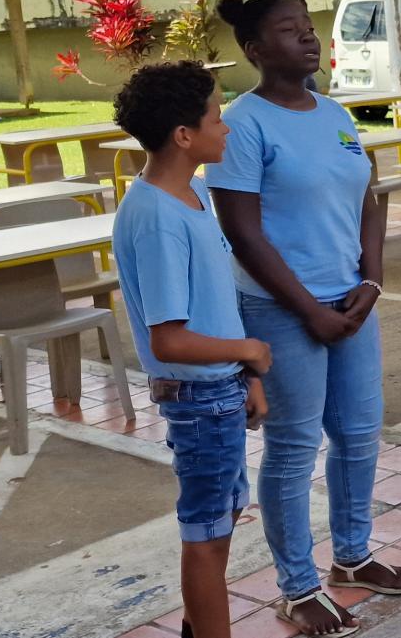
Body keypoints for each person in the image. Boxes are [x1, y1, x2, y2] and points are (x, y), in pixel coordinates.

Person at [203, 0, 401, 635]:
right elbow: (243, 233)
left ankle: (352, 556)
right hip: (280, 309)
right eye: (289, 31)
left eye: (309, 28)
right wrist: (309, 312)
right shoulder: (244, 125)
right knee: (294, 448)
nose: (309, 38)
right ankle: (297, 587)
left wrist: (371, 281)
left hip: (351, 302)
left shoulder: (335, 113)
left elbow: (368, 199)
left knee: (359, 434)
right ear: (255, 50)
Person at [111, 62, 270, 638]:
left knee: (221, 519)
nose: (225, 128)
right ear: (184, 135)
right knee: (204, 535)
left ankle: (195, 625)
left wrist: (248, 375)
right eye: (216, 118)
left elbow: (214, 300)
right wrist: (250, 350)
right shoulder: (157, 217)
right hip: (199, 400)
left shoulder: (194, 193)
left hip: (222, 390)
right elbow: (169, 338)